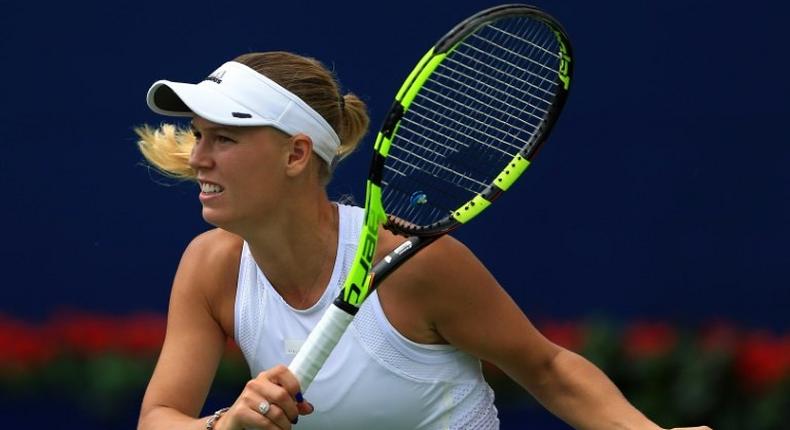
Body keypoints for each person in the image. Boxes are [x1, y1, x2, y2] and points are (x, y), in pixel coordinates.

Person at [135, 51, 711, 430]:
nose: (199, 157)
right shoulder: (210, 267)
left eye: (225, 139)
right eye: (199, 134)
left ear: (295, 154)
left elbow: (548, 368)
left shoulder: (410, 264)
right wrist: (225, 424)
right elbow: (160, 416)